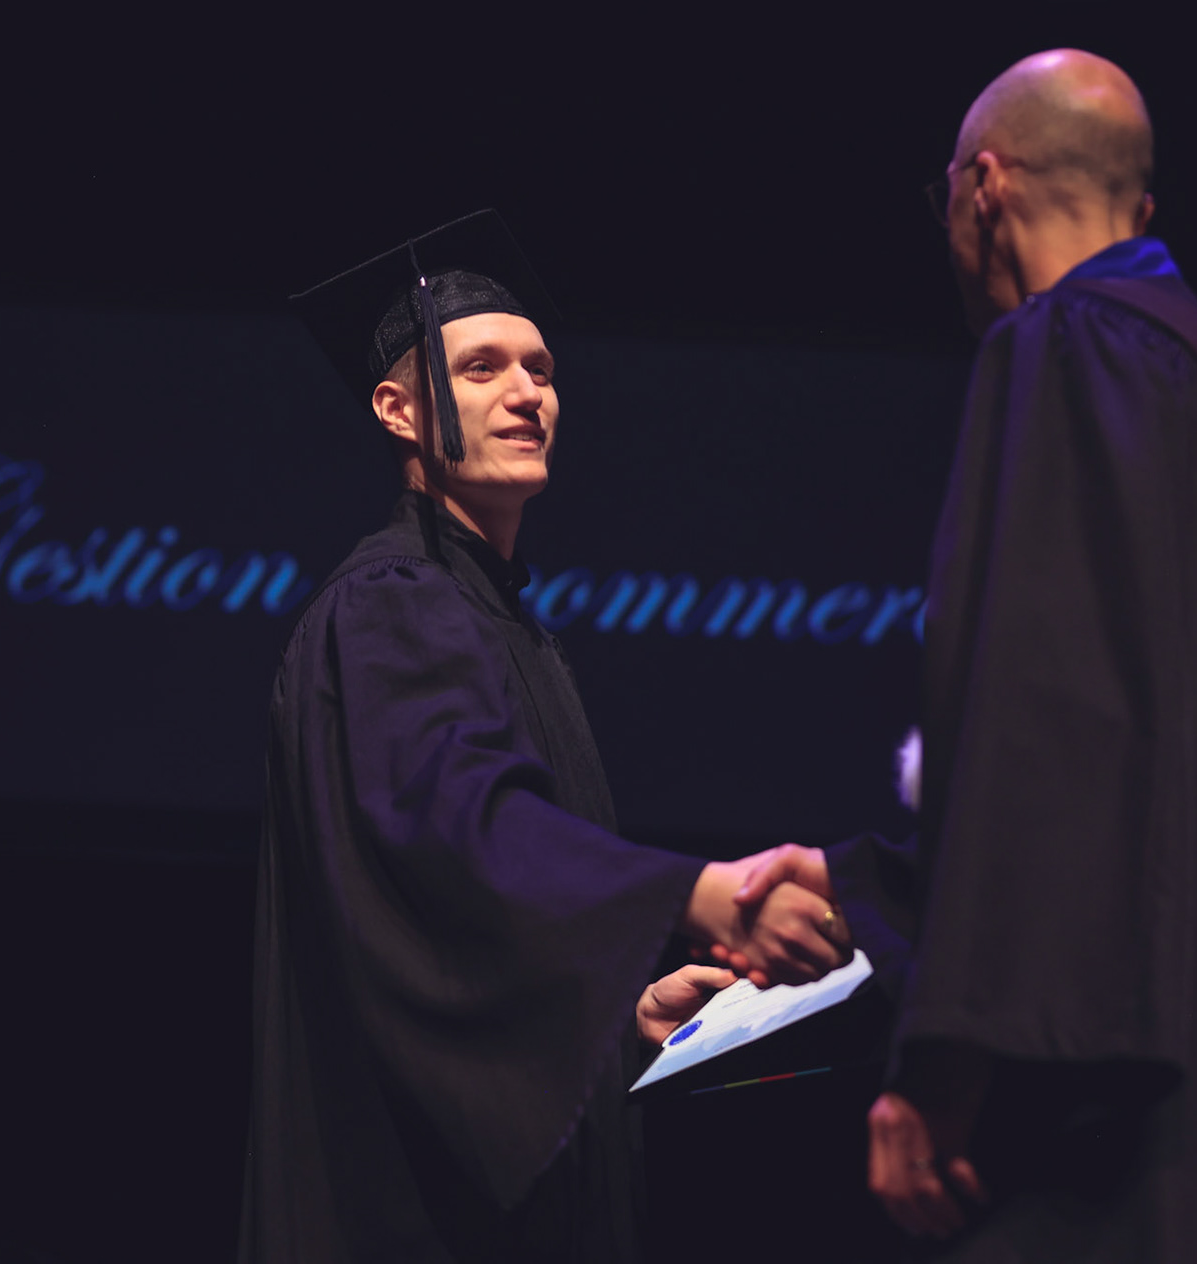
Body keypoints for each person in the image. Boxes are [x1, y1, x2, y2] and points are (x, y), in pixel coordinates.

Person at [738, 49, 1197, 1260]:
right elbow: (1181, 781)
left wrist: (947, 1052)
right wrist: (859, 883)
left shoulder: (1064, 347)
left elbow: (1050, 721)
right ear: (1140, 208)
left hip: (1115, 1115)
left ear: (983, 188)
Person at [237, 211, 848, 1264]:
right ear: (397, 409)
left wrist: (621, 1016)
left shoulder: (502, 621)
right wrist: (696, 892)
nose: (528, 393)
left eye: (542, 370)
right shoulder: (392, 607)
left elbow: (469, 933)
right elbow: (463, 835)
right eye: (482, 368)